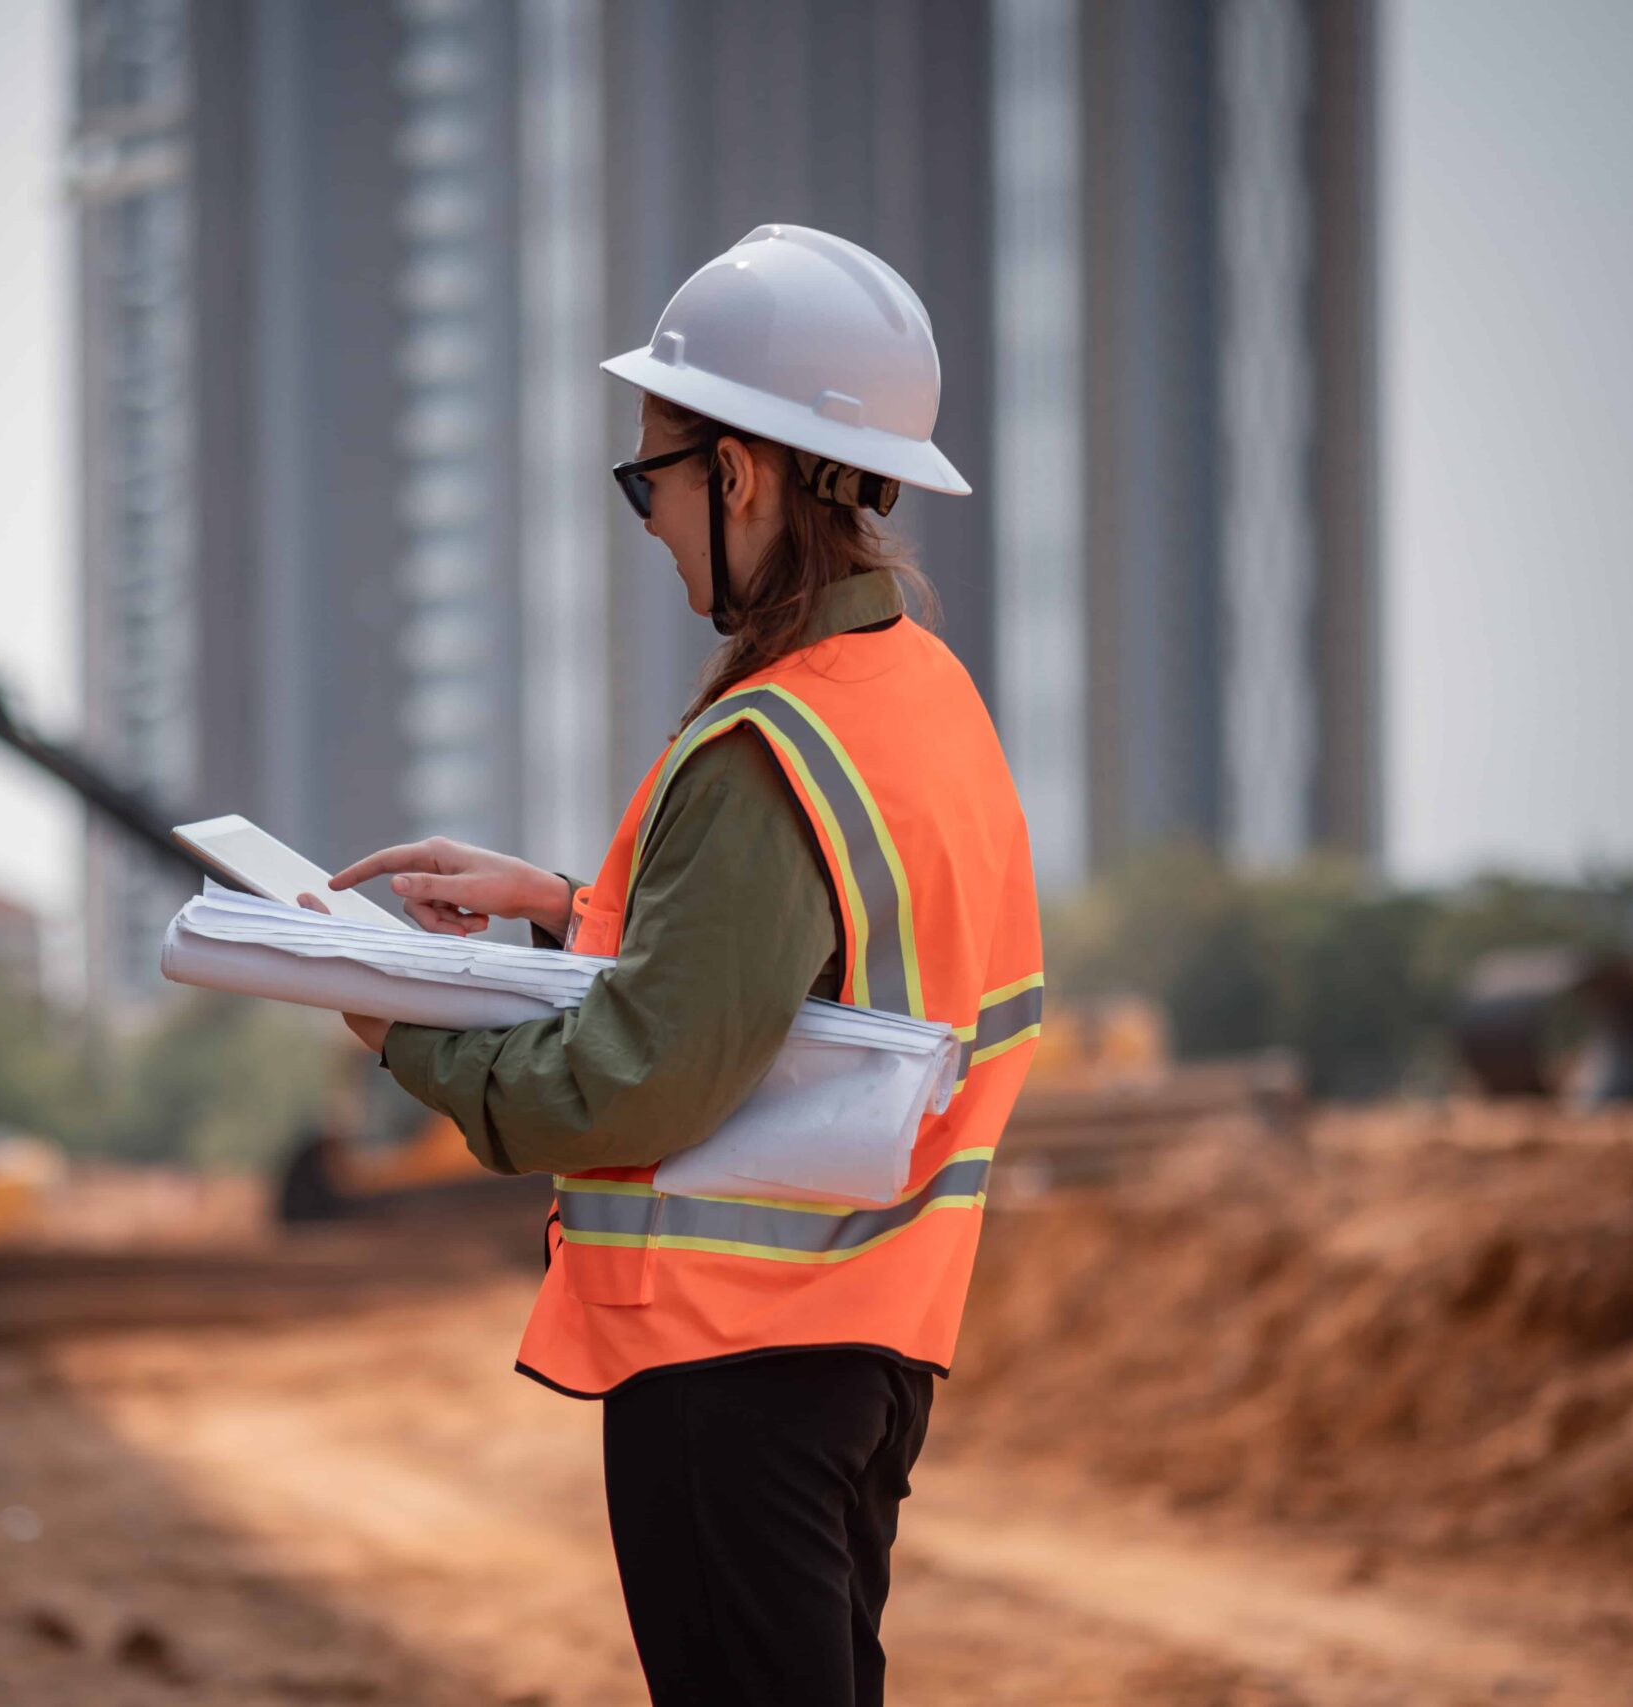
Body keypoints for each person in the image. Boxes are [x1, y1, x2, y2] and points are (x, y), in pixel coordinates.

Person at [304, 224, 1043, 1707]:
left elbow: (632, 1083)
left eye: (650, 474)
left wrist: (402, 1029)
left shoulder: (769, 747)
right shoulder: (919, 699)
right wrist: (566, 906)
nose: (644, 519)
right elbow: (803, 980)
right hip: (864, 1351)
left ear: (744, 473)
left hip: (736, 1377)